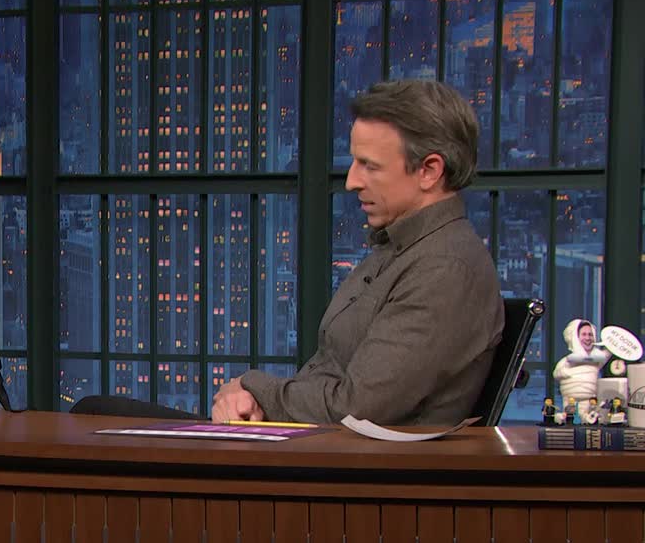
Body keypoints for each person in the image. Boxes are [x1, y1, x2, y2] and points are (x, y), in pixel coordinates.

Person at [211, 80, 503, 426]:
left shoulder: (444, 269)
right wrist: (248, 398)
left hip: (350, 457)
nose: (351, 181)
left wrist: (253, 389)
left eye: (370, 166)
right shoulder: (400, 249)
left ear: (429, 171)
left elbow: (357, 408)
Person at [553, 318, 609, 423]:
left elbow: (607, 354)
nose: (587, 338)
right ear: (576, 337)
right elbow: (557, 374)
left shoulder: (596, 360)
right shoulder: (565, 362)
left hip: (589, 403)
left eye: (590, 334)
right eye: (584, 334)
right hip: (570, 402)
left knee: (588, 420)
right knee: (569, 419)